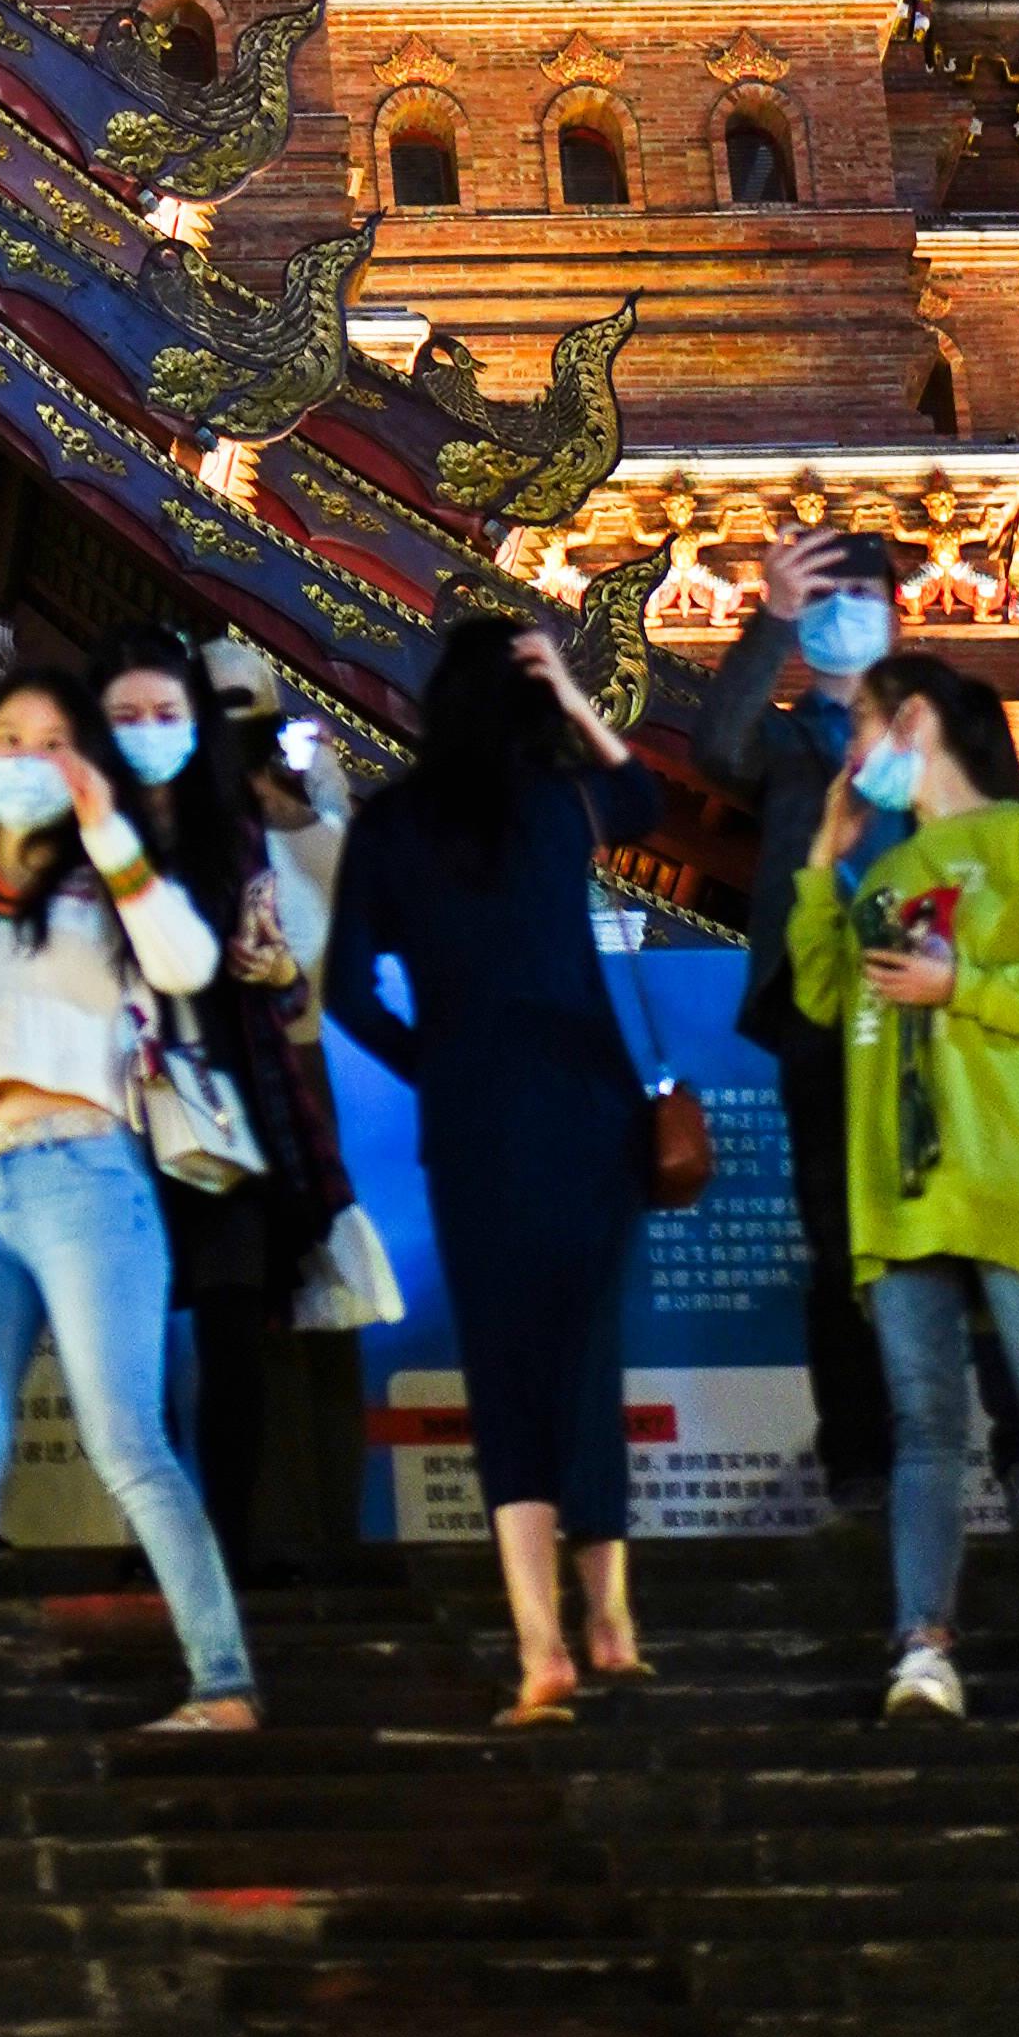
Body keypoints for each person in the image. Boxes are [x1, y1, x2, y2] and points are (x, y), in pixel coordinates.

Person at [0, 669, 261, 1742]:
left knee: (126, 1438)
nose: (26, 758)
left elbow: (190, 961)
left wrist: (106, 829)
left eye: (52, 741)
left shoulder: (114, 891)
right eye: (9, 739)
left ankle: (221, 1680)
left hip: (88, 1170)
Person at [789, 647, 1019, 1719]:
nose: (849, 748)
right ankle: (921, 1642)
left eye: (859, 724)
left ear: (912, 721)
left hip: (1012, 1168)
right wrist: (825, 860)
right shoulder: (888, 874)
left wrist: (966, 985)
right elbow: (825, 997)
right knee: (924, 1425)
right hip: (905, 1185)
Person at [327, 616, 658, 1721]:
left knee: (503, 1373)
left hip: (472, 1125)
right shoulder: (561, 802)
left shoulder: (390, 825)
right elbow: (647, 805)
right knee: (585, 1358)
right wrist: (571, 696)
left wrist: (437, 1066)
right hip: (588, 1109)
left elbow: (346, 993)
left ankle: (538, 1646)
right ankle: (611, 1618)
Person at [82, 620, 348, 1568]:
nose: (151, 729)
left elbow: (289, 984)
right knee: (131, 1334)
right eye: (129, 716)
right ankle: (153, 1534)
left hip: (226, 1103)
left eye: (168, 712)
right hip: (111, 1112)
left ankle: (228, 1535)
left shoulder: (231, 825)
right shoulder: (75, 835)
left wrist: (272, 971)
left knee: (234, 1324)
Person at [693, 526, 931, 1514]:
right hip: (817, 999)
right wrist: (771, 616)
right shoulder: (787, 743)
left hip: (936, 994)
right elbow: (714, 746)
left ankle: (995, 1448)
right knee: (837, 1235)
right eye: (826, 595)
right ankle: (860, 1462)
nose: (847, 609)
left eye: (861, 593)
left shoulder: (943, 733)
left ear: (895, 611)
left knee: (953, 1225)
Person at [207, 637, 371, 1570]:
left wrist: (314, 801)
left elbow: (349, 922)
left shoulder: (313, 826)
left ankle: (330, 1530)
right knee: (245, 1306)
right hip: (221, 1083)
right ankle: (258, 1527)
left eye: (252, 716)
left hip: (299, 1081)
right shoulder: (186, 833)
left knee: (324, 1302)